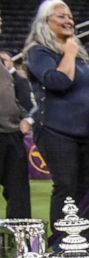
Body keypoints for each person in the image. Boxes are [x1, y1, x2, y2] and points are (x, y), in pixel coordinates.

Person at [23, 0, 89, 243]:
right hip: (57, 131)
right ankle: (60, 241)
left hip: (88, 131)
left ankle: (83, 240)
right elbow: (58, 82)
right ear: (45, 21)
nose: (69, 20)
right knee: (66, 187)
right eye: (61, 16)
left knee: (85, 189)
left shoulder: (79, 55)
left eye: (70, 16)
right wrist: (68, 51)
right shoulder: (38, 52)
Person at [0, 24, 31, 219]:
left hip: (11, 134)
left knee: (18, 191)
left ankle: (20, 239)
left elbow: (14, 98)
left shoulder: (5, 70)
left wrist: (24, 117)